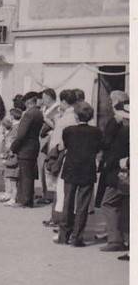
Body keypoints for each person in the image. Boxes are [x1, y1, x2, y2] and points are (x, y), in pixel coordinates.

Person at [55, 102, 102, 246]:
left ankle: (64, 235)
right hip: (87, 169)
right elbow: (98, 150)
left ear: (76, 115)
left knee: (68, 202)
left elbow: (64, 146)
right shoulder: (97, 132)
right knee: (83, 205)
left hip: (70, 169)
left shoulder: (68, 131)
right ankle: (77, 237)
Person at [43, 90, 79, 227]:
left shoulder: (64, 119)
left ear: (64, 102)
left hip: (62, 155)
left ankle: (57, 219)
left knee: (59, 188)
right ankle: (59, 218)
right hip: (73, 156)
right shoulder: (75, 116)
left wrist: (51, 156)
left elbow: (56, 141)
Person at [99, 101, 130, 254]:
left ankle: (115, 239)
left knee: (108, 203)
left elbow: (114, 153)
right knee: (124, 205)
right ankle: (125, 238)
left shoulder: (124, 131)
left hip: (119, 174)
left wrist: (106, 165)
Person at [10, 92, 44, 208]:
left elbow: (21, 135)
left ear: (28, 102)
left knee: (25, 175)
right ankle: (28, 198)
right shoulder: (39, 113)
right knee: (29, 173)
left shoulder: (29, 114)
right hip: (34, 145)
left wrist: (13, 148)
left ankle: (25, 200)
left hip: (25, 148)